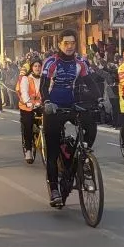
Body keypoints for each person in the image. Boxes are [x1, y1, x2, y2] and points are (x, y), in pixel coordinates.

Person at [39, 29, 97, 208]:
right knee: (53, 150)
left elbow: (91, 83)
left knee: (91, 125)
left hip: (72, 105)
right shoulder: (51, 62)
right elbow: (43, 86)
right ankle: (54, 188)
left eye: (72, 43)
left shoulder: (81, 63)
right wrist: (47, 102)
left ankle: (83, 155)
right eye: (66, 43)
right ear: (59, 44)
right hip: (54, 109)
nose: (70, 46)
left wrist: (100, 98)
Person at [17, 60, 42, 163]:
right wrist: (28, 102)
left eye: (39, 66)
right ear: (32, 68)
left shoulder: (44, 79)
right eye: (35, 66)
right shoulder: (26, 79)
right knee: (28, 125)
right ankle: (28, 150)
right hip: (27, 107)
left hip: (40, 105)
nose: (37, 68)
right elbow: (24, 92)